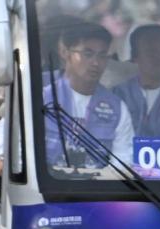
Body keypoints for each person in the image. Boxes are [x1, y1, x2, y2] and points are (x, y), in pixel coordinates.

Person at [43, 22, 134, 168]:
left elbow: (123, 163)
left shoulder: (117, 109)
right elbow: (17, 147)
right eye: (88, 54)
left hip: (95, 188)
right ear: (65, 52)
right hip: (48, 187)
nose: (96, 63)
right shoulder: (40, 97)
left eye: (102, 56)